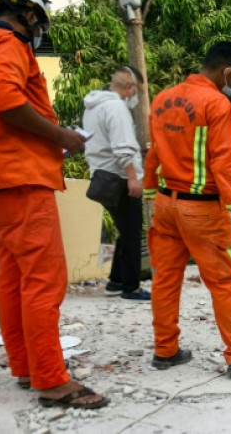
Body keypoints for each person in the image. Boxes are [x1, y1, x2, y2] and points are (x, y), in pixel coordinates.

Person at [0, 0, 107, 408]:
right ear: (27, 13)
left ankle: (26, 368)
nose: (38, 35)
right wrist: (61, 136)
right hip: (19, 178)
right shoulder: (7, 45)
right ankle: (51, 380)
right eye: (38, 26)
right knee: (43, 281)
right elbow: (5, 99)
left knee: (15, 279)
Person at [143, 41, 231, 379]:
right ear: (228, 71)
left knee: (166, 280)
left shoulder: (162, 99)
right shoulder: (216, 103)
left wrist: (149, 195)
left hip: (166, 205)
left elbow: (153, 155)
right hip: (201, 211)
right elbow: (225, 167)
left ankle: (165, 350)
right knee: (224, 282)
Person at [82, 66, 149, 300]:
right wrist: (133, 177)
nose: (137, 97)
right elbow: (122, 149)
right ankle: (131, 287)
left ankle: (116, 282)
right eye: (138, 91)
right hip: (119, 177)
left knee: (124, 230)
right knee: (131, 232)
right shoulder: (117, 108)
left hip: (101, 174)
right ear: (129, 87)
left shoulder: (94, 107)